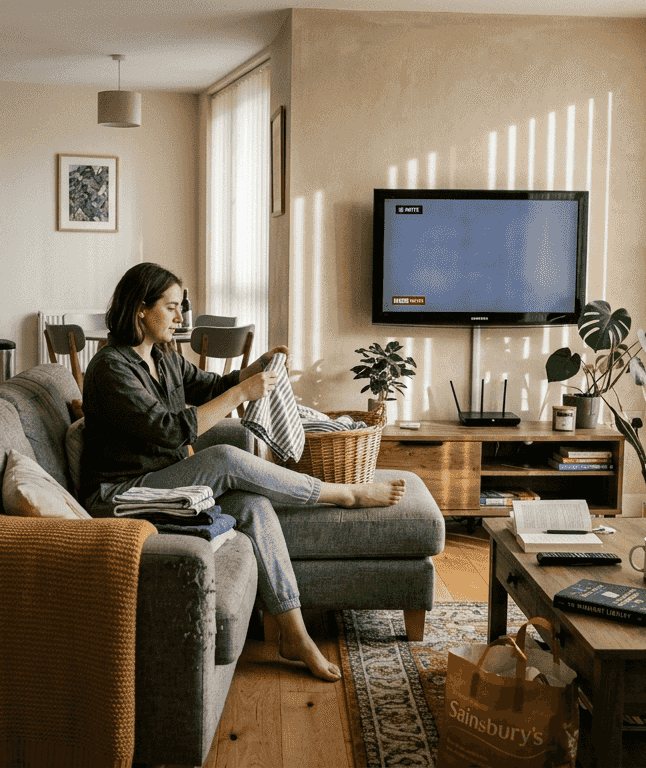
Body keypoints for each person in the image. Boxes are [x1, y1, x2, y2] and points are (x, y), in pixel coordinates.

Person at [79, 262, 406, 682]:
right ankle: (342, 492)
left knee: (252, 504)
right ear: (140, 309)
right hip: (119, 496)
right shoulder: (110, 368)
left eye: (181, 307)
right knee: (225, 459)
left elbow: (213, 385)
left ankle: (295, 634)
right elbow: (167, 430)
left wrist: (258, 370)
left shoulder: (164, 357)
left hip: (165, 485)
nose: (181, 318)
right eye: (172, 307)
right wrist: (241, 393)